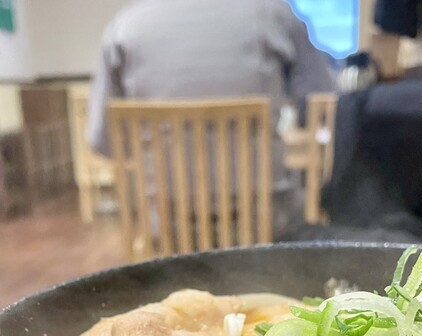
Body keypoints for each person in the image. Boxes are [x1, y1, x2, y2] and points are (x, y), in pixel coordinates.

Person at [87, 0, 336, 235]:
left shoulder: (124, 27)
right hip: (265, 226)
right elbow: (326, 106)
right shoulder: (274, 14)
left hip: (170, 226)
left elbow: (102, 141)